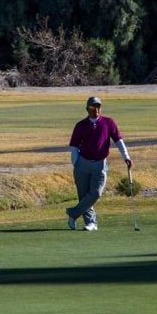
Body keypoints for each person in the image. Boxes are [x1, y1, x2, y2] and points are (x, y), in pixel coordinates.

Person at [66, 96, 132, 232]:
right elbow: (74, 147)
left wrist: (126, 156)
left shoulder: (109, 122)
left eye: (98, 107)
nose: (96, 109)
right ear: (87, 109)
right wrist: (76, 163)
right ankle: (91, 223)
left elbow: (118, 140)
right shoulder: (80, 125)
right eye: (92, 107)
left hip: (100, 164)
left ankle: (73, 213)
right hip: (82, 163)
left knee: (96, 193)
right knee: (84, 195)